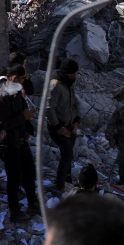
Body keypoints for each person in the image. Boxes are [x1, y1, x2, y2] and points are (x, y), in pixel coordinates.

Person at [0, 65, 40, 221]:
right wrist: (22, 119)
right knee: (13, 178)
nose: (20, 81)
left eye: (23, 78)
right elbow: (1, 124)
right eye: (17, 78)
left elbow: (23, 111)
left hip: (19, 140)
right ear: (8, 76)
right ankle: (15, 211)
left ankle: (33, 203)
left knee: (29, 172)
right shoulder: (1, 97)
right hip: (7, 142)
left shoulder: (18, 93)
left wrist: (27, 128)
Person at [45, 60, 81, 193]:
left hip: (70, 126)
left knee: (69, 155)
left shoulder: (68, 84)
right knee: (67, 154)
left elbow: (76, 103)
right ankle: (60, 185)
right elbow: (48, 109)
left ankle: (68, 181)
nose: (77, 75)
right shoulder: (55, 86)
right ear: (70, 74)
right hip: (58, 128)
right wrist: (58, 128)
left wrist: (77, 121)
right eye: (76, 73)